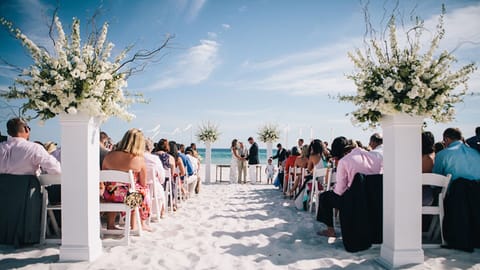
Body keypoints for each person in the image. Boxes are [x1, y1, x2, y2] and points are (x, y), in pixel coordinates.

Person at [317, 136, 383, 237]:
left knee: (324, 197)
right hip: (375, 199)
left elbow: (339, 191)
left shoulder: (344, 161)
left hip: (354, 201)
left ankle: (330, 230)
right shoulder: (373, 156)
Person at [101, 128, 151, 232]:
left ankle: (110, 224)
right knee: (141, 190)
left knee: (114, 190)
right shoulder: (139, 160)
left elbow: (104, 178)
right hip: (129, 198)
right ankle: (138, 224)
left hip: (109, 196)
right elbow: (143, 183)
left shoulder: (109, 156)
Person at [144, 138, 166, 219]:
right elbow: (162, 179)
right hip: (154, 190)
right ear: (150, 148)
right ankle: (161, 211)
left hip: (137, 188)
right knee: (160, 188)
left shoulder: (135, 158)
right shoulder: (155, 159)